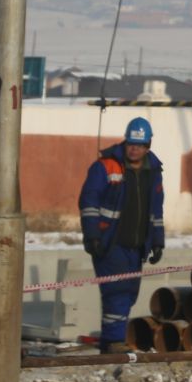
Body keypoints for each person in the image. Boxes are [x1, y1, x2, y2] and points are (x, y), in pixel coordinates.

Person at [79, 117, 165, 353]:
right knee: (116, 292)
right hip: (110, 243)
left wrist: (158, 241)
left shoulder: (153, 170)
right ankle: (115, 342)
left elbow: (156, 210)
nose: (134, 149)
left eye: (139, 145)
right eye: (131, 144)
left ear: (148, 146)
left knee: (129, 293)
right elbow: (89, 201)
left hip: (136, 246)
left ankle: (110, 343)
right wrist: (92, 235)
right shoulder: (106, 166)